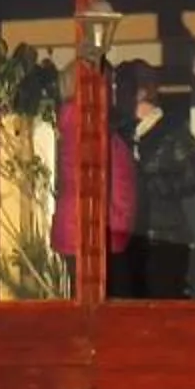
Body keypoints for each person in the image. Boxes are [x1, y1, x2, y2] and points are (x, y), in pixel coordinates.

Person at [122, 63, 195, 301]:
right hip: (131, 238)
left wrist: (150, 183)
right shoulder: (123, 132)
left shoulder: (174, 131)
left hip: (167, 238)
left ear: (140, 92)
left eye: (121, 88)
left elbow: (194, 177)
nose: (117, 96)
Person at [49, 82, 137, 289]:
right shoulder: (91, 126)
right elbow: (119, 186)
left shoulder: (74, 125)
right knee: (107, 306)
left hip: (75, 229)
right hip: (97, 233)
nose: (112, 92)